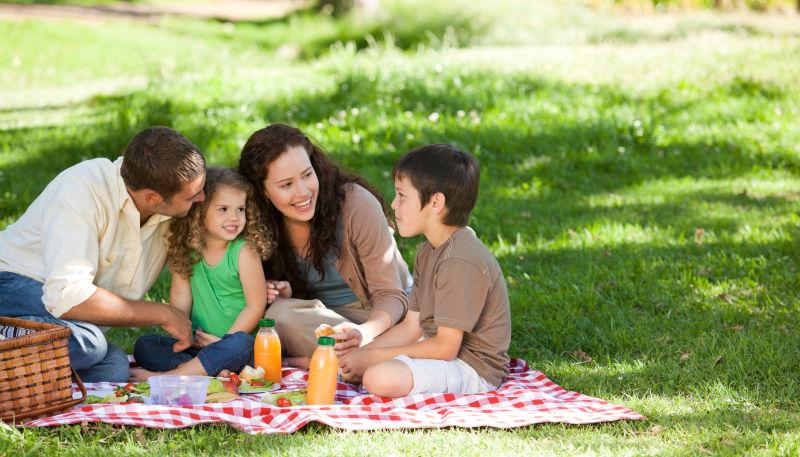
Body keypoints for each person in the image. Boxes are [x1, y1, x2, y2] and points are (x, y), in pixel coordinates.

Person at [0, 126, 206, 382]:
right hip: (10, 284)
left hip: (64, 316)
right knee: (89, 343)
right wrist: (161, 312)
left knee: (112, 369)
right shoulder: (81, 189)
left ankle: (14, 361)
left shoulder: (168, 209)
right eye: (192, 196)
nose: (202, 198)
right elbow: (67, 296)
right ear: (152, 197)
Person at [339, 144, 511, 397]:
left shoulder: (460, 260)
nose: (394, 204)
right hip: (437, 350)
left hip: (472, 368)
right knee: (355, 363)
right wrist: (363, 353)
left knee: (378, 376)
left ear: (435, 202)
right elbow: (412, 326)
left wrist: (373, 357)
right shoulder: (427, 251)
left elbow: (446, 348)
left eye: (402, 195)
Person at [238, 123, 411, 364]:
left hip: (382, 318)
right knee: (279, 315)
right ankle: (367, 360)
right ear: (263, 191)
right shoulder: (253, 223)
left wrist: (364, 333)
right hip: (323, 324)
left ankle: (333, 361)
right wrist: (275, 291)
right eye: (286, 185)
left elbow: (392, 294)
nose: (303, 192)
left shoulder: (355, 204)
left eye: (307, 175)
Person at [130, 167, 288, 380]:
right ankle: (207, 371)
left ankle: (169, 377)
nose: (234, 217)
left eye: (240, 209)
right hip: (199, 346)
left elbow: (255, 306)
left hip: (236, 347)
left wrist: (224, 342)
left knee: (243, 344)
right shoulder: (186, 250)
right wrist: (183, 337)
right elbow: (180, 301)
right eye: (223, 209)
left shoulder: (244, 251)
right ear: (200, 211)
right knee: (146, 345)